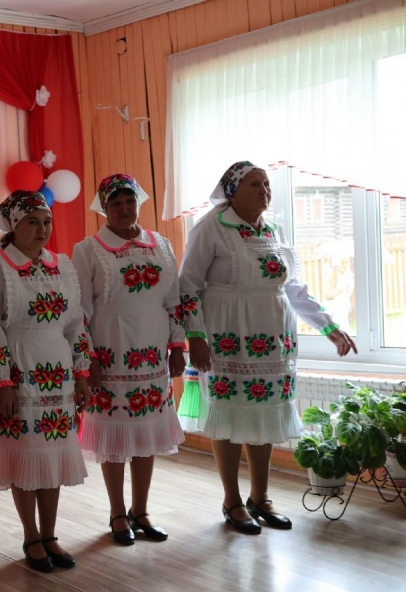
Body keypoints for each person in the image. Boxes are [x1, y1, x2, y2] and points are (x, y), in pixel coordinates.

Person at [179, 161, 356, 534]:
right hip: (226, 332)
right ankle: (232, 500)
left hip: (273, 336)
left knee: (265, 411)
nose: (264, 190)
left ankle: (260, 497)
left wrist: (329, 326)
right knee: (227, 414)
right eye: (254, 184)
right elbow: (188, 285)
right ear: (232, 191)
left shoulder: (274, 230)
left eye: (266, 184)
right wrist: (194, 336)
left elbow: (293, 287)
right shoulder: (211, 227)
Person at [0, 190, 91, 572]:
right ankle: (31, 536)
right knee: (25, 453)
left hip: (57, 371)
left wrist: (81, 372)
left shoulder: (63, 266)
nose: (42, 229)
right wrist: (2, 382)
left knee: (51, 454)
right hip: (20, 369)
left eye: (46, 222)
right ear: (13, 226)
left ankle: (50, 534)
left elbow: (75, 324)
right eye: (32, 222)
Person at [73, 174, 185, 545]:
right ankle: (117, 512)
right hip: (111, 351)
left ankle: (141, 510)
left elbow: (173, 301)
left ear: (139, 202)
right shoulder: (88, 250)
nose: (124, 208)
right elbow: (79, 310)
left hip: (152, 352)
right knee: (115, 436)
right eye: (115, 203)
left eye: (129, 201)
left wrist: (177, 345)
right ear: (103, 208)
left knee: (146, 432)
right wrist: (88, 358)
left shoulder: (161, 244)